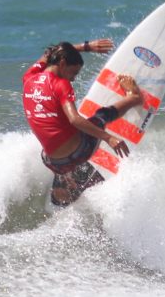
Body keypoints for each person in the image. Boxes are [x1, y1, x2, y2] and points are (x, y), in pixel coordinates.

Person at [22, 39, 143, 206]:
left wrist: (86, 47)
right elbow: (74, 119)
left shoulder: (29, 77)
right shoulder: (60, 84)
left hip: (52, 161)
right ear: (63, 63)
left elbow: (48, 55)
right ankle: (134, 98)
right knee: (99, 117)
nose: (72, 79)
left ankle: (67, 185)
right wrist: (108, 137)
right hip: (77, 153)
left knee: (59, 141)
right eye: (73, 73)